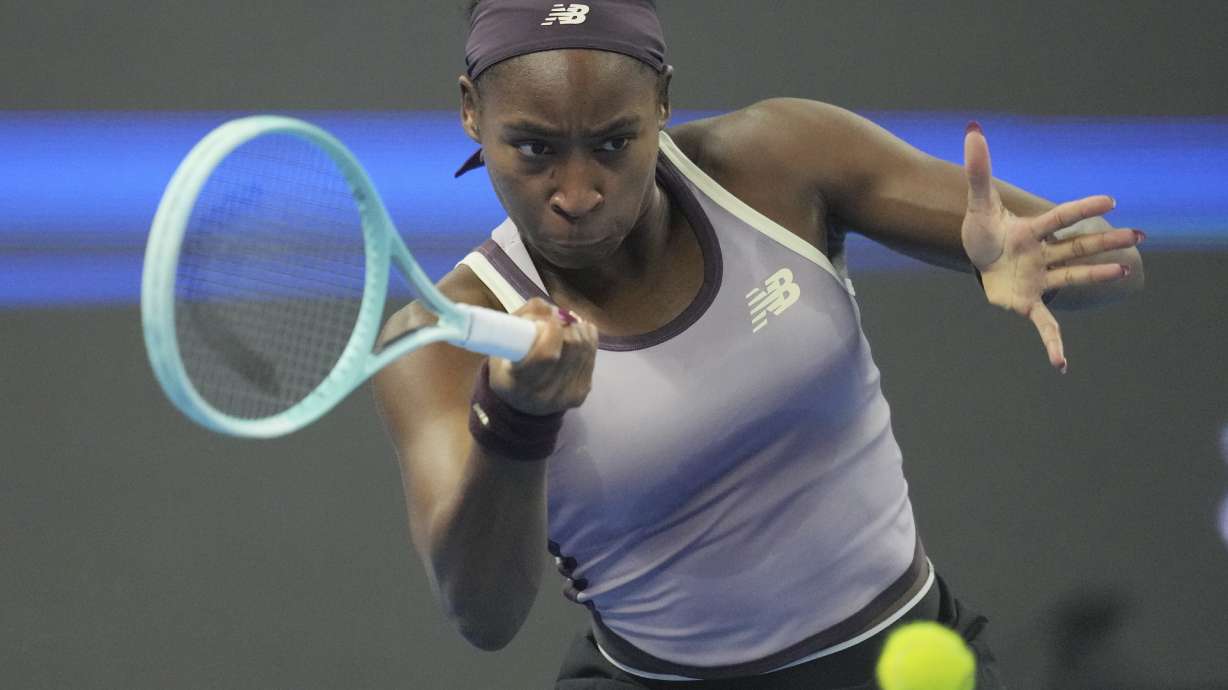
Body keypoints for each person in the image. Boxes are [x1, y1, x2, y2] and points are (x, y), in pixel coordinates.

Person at [373, 2, 1144, 688]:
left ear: (663, 99)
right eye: (535, 150)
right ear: (472, 110)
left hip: (901, 657)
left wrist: (1008, 255)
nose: (577, 193)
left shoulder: (779, 160)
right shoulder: (441, 337)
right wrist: (517, 422)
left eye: (613, 143)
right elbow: (483, 616)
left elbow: (1116, 263)